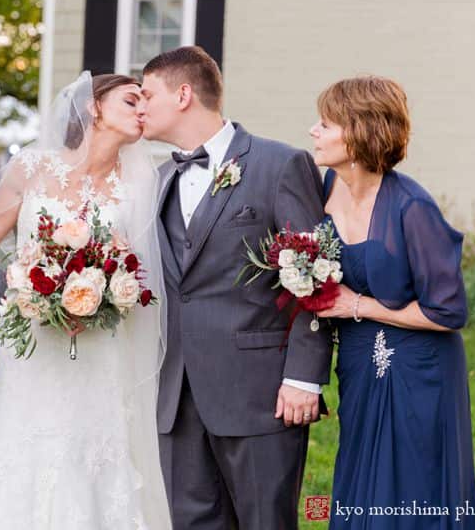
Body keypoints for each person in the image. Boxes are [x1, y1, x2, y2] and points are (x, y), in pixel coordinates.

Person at [0, 72, 172, 529]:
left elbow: (144, 274)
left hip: (102, 349)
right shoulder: (30, 169)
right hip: (33, 349)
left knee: (97, 451)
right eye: (131, 100)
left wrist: (107, 297)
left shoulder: (143, 184)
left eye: (146, 102)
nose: (142, 110)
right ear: (94, 106)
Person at [139, 46, 332, 529]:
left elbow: (315, 273)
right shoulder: (157, 180)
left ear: (183, 94)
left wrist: (304, 377)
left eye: (147, 94)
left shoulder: (279, 165)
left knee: (266, 520)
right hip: (175, 396)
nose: (139, 106)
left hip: (260, 392)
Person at [310, 76, 475, 529]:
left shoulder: (413, 208)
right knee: (361, 472)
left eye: (326, 124)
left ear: (358, 132)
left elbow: (448, 311)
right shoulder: (328, 185)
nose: (314, 131)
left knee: (412, 484)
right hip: (359, 364)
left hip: (418, 368)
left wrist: (357, 306)